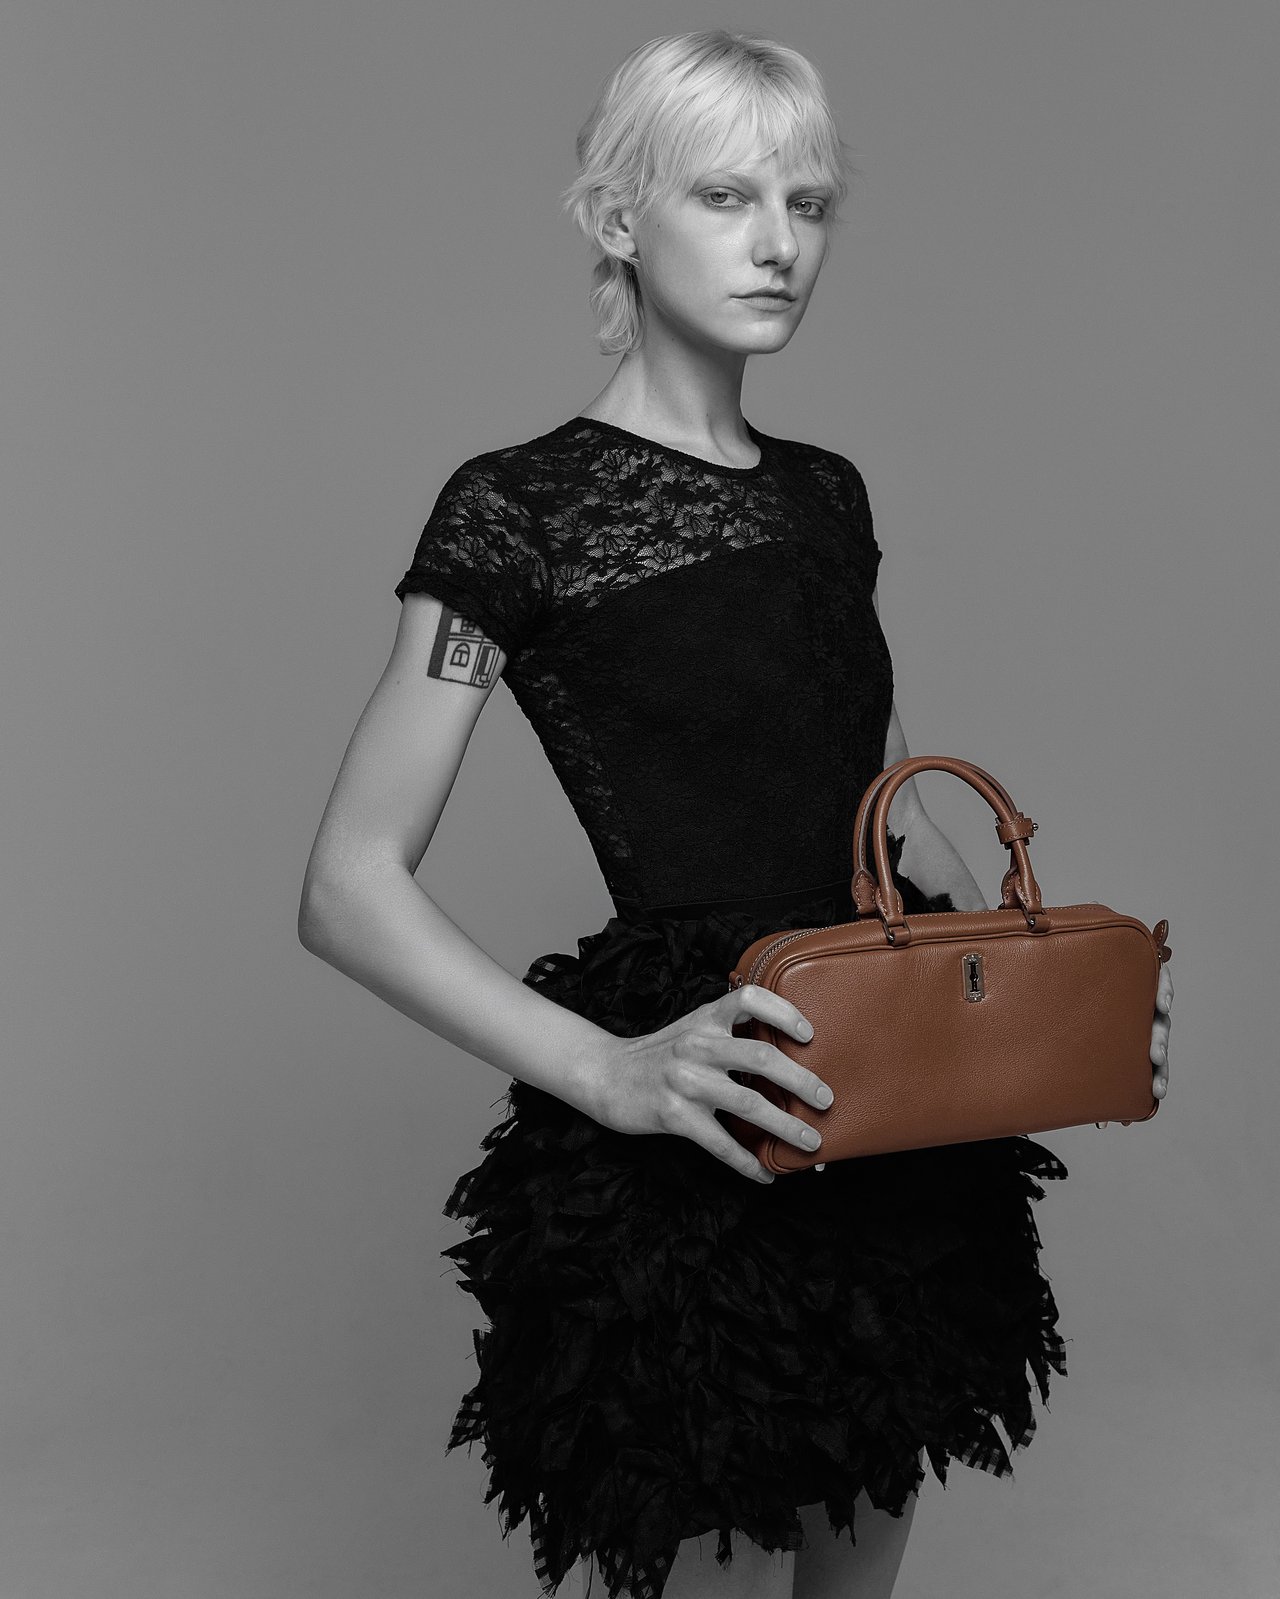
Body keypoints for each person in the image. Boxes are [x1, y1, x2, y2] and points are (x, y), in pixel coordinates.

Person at [297, 30, 1174, 1599]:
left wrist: (1066, 1008)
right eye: (725, 196)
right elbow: (349, 884)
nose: (779, 243)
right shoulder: (517, 509)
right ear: (618, 217)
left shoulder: (827, 495)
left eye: (808, 203)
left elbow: (895, 825)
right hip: (709, 1107)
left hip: (892, 1094)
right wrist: (605, 1069)